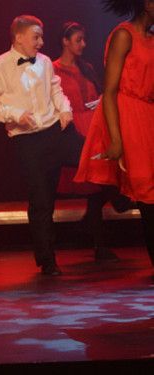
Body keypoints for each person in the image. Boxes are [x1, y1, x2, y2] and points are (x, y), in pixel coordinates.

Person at [0, 15, 80, 276]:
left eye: (41, 36)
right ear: (19, 37)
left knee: (92, 156)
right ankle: (47, 260)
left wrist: (65, 109)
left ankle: (123, 196)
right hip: (28, 140)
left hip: (55, 131)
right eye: (36, 37)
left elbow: (55, 89)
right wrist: (14, 114)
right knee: (42, 200)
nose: (41, 42)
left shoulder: (45, 62)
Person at [75, 0, 154, 267]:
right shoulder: (123, 34)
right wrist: (117, 140)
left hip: (148, 114)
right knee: (147, 191)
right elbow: (109, 91)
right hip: (128, 115)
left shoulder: (151, 39)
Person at [53, 21, 121, 262]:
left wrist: (101, 100)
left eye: (83, 39)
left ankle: (97, 242)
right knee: (95, 184)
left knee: (100, 187)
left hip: (96, 129)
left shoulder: (87, 68)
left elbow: (103, 93)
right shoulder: (52, 70)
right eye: (78, 39)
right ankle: (96, 242)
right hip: (74, 132)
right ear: (65, 41)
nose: (83, 44)